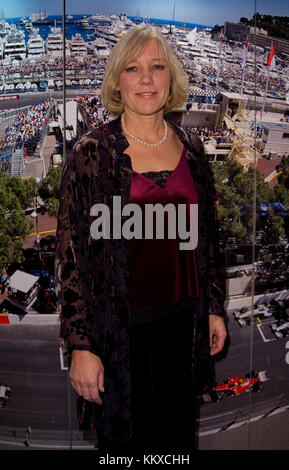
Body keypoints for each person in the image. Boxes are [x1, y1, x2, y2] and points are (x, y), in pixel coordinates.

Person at [55, 25, 227, 452]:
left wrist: (214, 308)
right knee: (125, 448)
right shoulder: (91, 153)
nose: (146, 79)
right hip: (117, 332)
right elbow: (70, 256)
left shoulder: (192, 147)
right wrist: (80, 345)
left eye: (157, 67)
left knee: (175, 442)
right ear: (117, 81)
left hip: (184, 326)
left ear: (172, 78)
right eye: (133, 68)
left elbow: (207, 239)